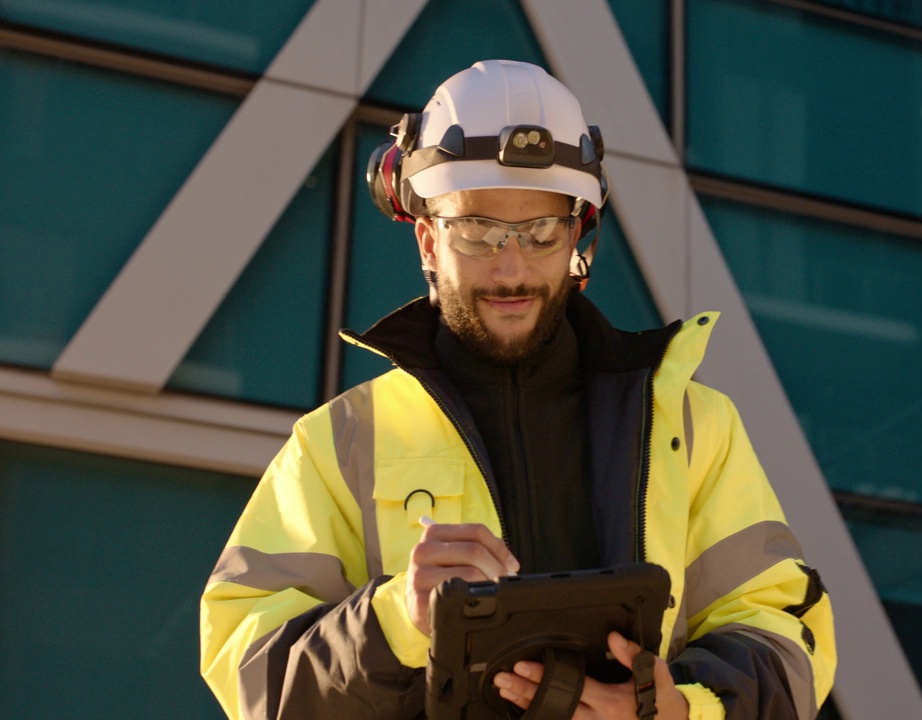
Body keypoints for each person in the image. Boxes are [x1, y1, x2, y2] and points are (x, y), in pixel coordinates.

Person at [200, 59, 835, 720]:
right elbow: (248, 670)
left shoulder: (693, 424)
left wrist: (683, 710)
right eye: (476, 229)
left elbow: (788, 634)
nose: (512, 268)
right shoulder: (339, 442)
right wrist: (397, 618)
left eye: (539, 233)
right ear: (427, 239)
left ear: (576, 236)